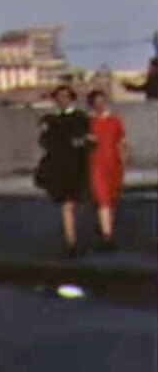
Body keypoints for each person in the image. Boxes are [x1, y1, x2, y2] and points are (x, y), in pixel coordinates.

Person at [37, 86, 91, 258]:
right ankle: (71, 241)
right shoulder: (51, 119)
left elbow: (87, 139)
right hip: (60, 165)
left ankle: (73, 238)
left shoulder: (80, 117)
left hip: (76, 164)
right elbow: (45, 142)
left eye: (66, 96)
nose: (62, 100)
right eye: (59, 97)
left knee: (74, 202)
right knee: (67, 203)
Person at [86, 90, 126, 253]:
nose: (100, 105)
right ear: (92, 105)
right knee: (103, 198)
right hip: (96, 163)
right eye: (96, 102)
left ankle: (106, 227)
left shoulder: (115, 121)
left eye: (102, 101)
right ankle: (106, 235)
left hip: (114, 163)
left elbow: (121, 142)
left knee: (111, 198)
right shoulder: (88, 123)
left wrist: (123, 161)